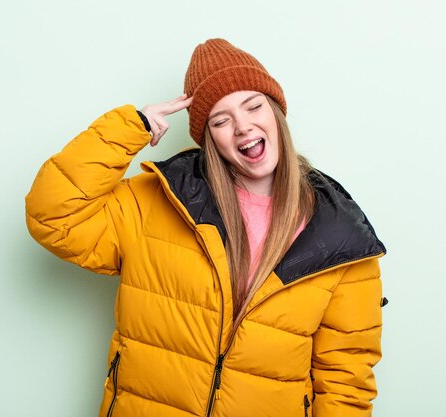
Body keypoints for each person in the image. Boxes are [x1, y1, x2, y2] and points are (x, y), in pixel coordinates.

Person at [26, 38, 387, 417]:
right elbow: (53, 215)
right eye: (220, 119)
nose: (242, 126)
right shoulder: (156, 202)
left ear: (276, 113)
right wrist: (131, 128)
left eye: (253, 106)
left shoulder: (341, 234)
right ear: (209, 138)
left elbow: (345, 377)